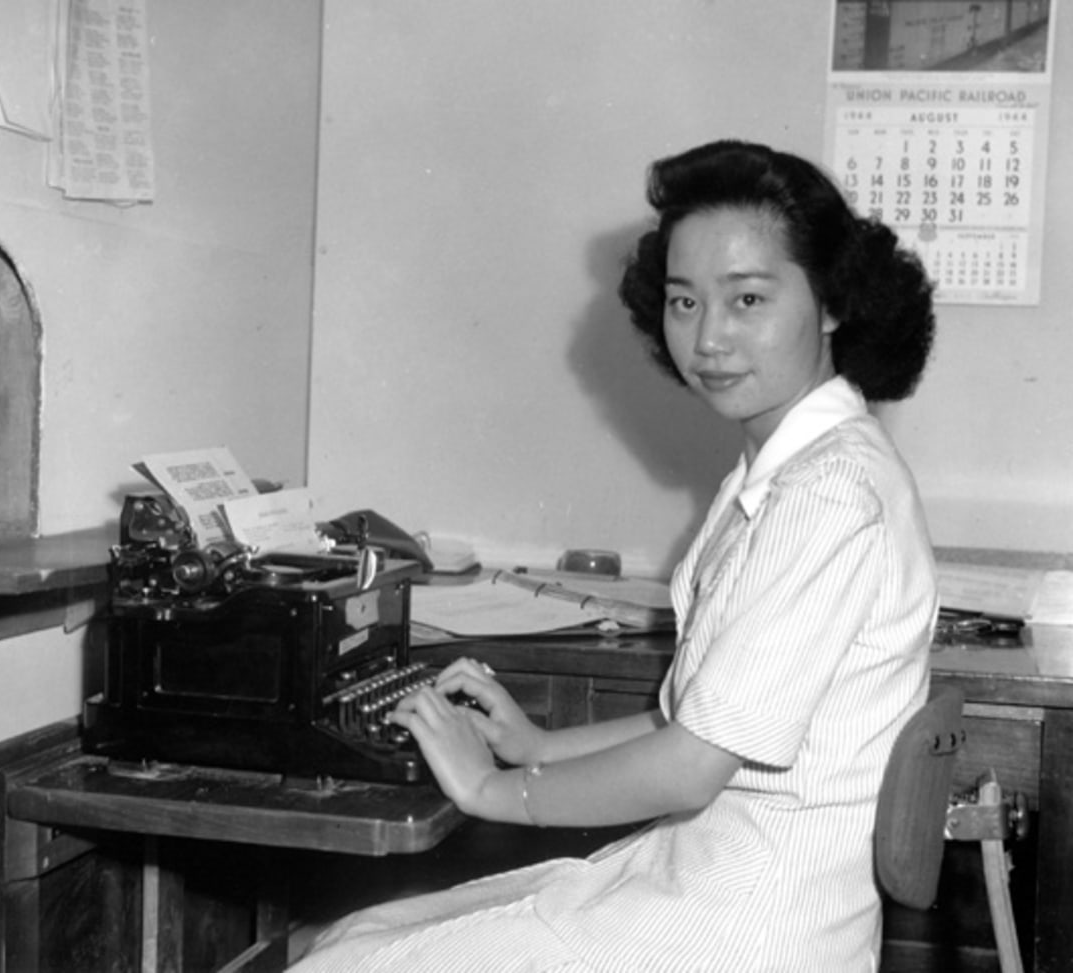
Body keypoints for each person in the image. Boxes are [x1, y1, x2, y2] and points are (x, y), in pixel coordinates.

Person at [289, 139, 938, 972]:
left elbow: (692, 766)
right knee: (352, 938)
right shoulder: (788, 467)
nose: (708, 338)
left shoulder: (827, 491)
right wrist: (536, 745)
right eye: (684, 302)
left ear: (832, 304)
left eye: (747, 298)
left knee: (333, 964)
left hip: (744, 927)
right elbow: (698, 721)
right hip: (702, 880)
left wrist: (494, 790)